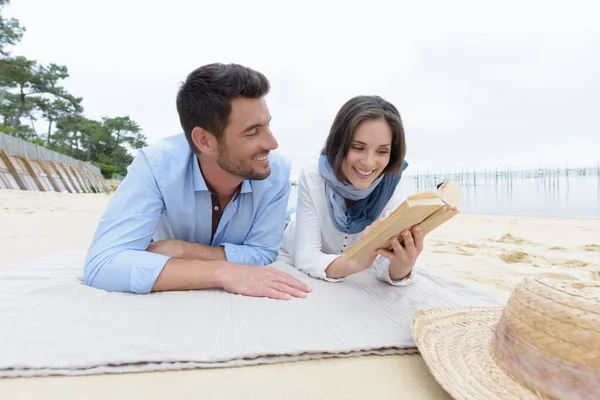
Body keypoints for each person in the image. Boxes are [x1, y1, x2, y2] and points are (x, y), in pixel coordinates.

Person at [83, 63, 311, 301]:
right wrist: (222, 271)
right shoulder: (156, 165)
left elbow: (263, 253)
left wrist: (184, 250)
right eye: (253, 131)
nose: (272, 143)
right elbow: (103, 263)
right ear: (204, 140)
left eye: (267, 124)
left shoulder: (277, 171)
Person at [281, 95, 422, 285]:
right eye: (358, 147)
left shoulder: (392, 184)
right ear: (339, 144)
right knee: (287, 222)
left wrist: (403, 267)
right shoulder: (313, 176)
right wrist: (355, 261)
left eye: (382, 151)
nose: (369, 162)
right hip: (293, 228)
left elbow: (385, 263)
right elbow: (306, 256)